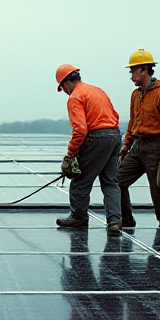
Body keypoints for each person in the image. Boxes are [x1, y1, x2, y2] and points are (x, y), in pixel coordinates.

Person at [54, 64, 124, 236]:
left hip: (96, 136)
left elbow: (80, 130)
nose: (64, 91)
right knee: (110, 182)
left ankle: (78, 217)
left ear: (65, 83)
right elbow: (115, 116)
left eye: (62, 88)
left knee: (80, 181)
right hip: (115, 136)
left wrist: (70, 154)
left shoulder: (75, 97)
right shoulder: (97, 90)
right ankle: (115, 222)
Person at [117, 49, 160, 228]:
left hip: (157, 147)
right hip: (138, 146)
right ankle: (126, 221)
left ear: (144, 70)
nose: (131, 76)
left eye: (133, 71)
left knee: (159, 190)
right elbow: (133, 122)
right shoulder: (135, 95)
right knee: (117, 181)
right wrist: (126, 146)